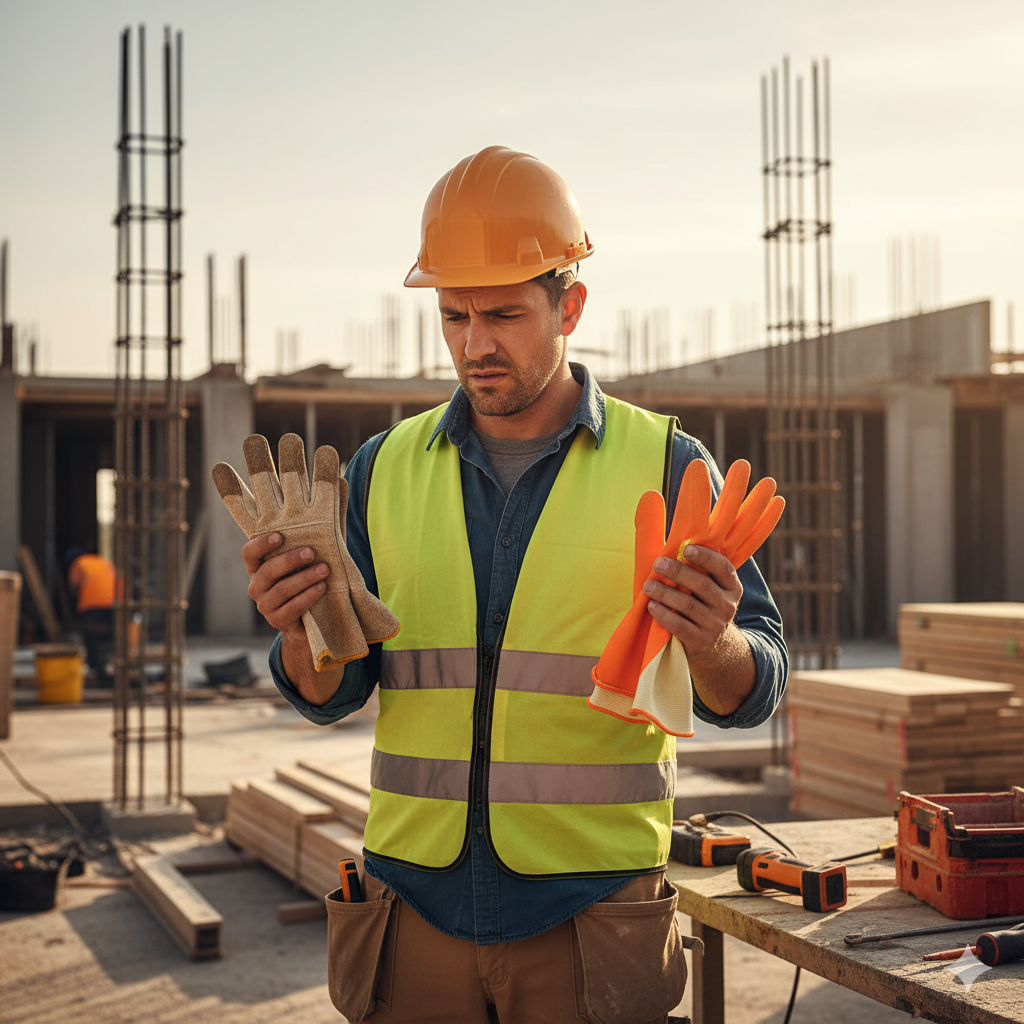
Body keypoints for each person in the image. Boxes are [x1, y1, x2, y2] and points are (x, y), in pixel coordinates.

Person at [243, 146, 788, 1024]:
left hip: (591, 920)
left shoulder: (668, 462)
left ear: (570, 303)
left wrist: (712, 638)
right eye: (453, 315)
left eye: (502, 314)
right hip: (411, 911)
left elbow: (754, 688)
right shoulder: (385, 470)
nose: (474, 344)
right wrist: (301, 626)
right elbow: (331, 691)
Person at [66, 544, 115, 686]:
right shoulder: (103, 561)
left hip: (92, 606)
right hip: (113, 603)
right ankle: (108, 668)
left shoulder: (78, 564)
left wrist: (74, 601)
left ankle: (97, 669)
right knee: (108, 638)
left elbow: (73, 584)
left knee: (92, 638)